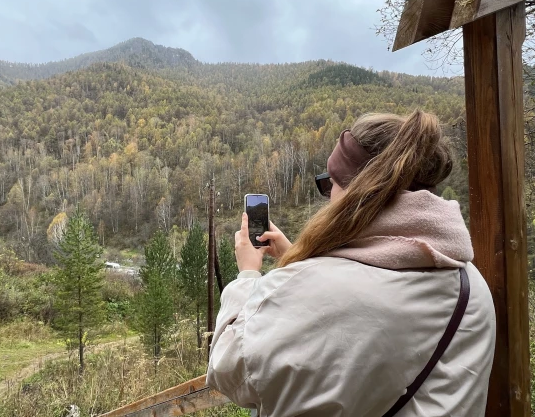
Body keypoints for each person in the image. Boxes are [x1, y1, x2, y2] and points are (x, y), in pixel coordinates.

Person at [206, 110, 495, 416]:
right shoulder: (471, 283)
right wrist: (296, 257)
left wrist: (248, 275)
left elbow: (229, 368)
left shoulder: (308, 289)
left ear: (354, 192)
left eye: (330, 184)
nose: (329, 196)